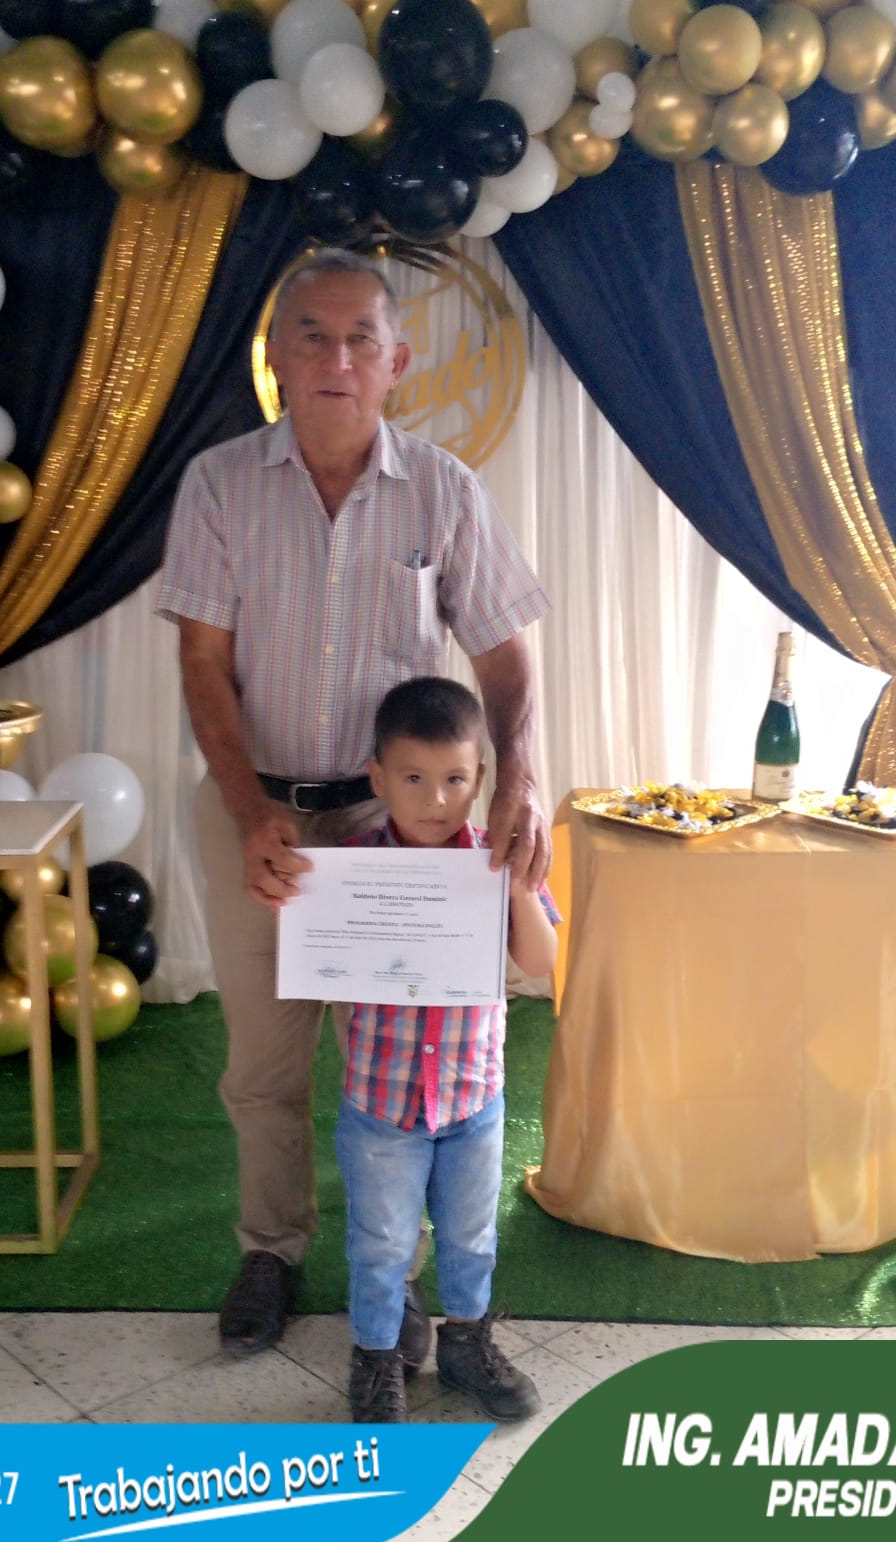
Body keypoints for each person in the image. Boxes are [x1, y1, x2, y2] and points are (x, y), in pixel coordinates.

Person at [155, 247, 551, 1362]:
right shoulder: (219, 484)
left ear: (396, 362)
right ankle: (270, 1249)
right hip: (263, 819)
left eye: (359, 338)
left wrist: (517, 775)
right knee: (265, 1061)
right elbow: (201, 662)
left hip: (400, 832)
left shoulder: (444, 491)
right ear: (276, 356)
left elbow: (505, 659)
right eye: (312, 336)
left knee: (405, 1064)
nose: (336, 358)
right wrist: (247, 809)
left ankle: (397, 1277)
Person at [334, 677, 560, 1425]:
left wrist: (515, 884)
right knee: (381, 1242)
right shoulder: (353, 867)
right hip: (381, 1105)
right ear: (377, 777)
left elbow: (541, 960)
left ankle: (466, 1344)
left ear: (482, 779)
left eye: (455, 780)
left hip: (472, 1098)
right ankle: (376, 1359)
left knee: (470, 1235)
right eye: (414, 779)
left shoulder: (497, 860)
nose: (435, 800)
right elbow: (317, 958)